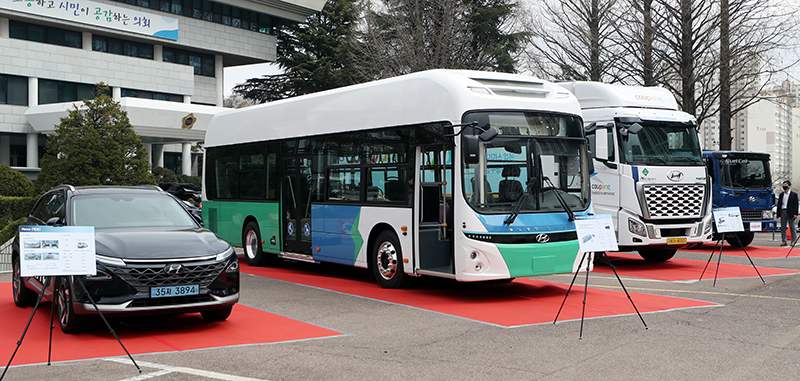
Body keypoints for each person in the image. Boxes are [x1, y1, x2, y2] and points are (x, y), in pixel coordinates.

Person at [777, 180, 798, 246]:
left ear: (789, 186)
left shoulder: (793, 195)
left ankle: (793, 240)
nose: (784, 186)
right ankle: (784, 241)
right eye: (783, 185)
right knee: (783, 227)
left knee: (792, 227)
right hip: (783, 211)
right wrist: (778, 213)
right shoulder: (781, 194)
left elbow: (796, 205)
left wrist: (795, 213)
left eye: (786, 185)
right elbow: (779, 204)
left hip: (790, 212)